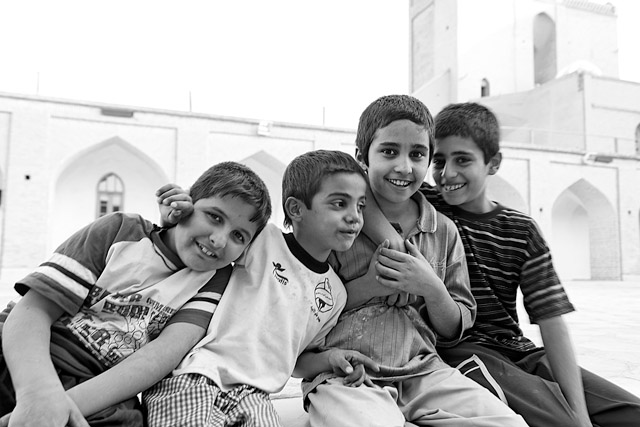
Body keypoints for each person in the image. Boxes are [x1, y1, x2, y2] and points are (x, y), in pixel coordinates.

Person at [363, 102, 640, 426]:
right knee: (556, 419)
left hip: (518, 351)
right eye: (438, 161)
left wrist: (580, 414)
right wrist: (393, 240)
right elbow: (357, 179)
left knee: (628, 414)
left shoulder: (520, 230)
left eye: (462, 159)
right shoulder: (425, 204)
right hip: (464, 350)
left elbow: (552, 323)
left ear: (493, 163)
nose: (447, 173)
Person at [299, 95, 527, 426]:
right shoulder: (337, 225)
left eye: (417, 154)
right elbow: (304, 315)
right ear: (362, 157)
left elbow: (454, 328)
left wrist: (431, 288)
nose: (404, 167)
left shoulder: (443, 231)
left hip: (425, 373)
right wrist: (367, 286)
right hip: (346, 374)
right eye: (389, 151)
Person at [0, 161, 272, 427]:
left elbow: (159, 357)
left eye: (239, 236)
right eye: (214, 217)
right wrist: (36, 393)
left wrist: (58, 406)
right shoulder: (121, 230)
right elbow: (33, 311)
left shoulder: (214, 280)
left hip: (100, 389)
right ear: (185, 205)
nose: (219, 239)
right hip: (28, 359)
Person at [142, 149, 379, 427]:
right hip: (198, 375)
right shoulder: (264, 239)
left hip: (256, 396)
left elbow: (296, 361)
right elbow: (206, 248)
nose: (354, 217)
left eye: (360, 206)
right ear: (296, 209)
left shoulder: (335, 294)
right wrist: (176, 218)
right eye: (340, 203)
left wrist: (332, 358)